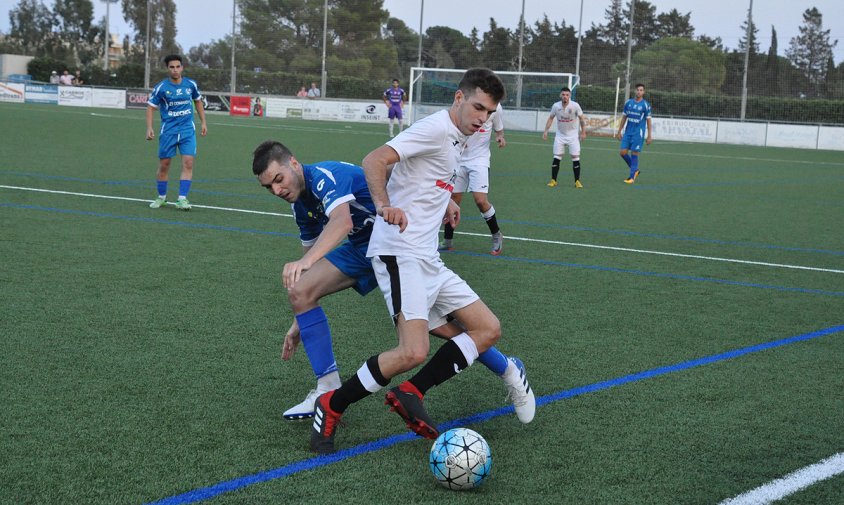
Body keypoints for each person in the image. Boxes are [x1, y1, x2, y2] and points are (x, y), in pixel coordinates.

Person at [310, 68, 534, 454]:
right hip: (399, 253)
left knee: (487, 329)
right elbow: (375, 158)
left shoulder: (462, 137)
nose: (483, 118)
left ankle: (412, 392)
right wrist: (384, 205)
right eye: (478, 107)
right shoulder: (435, 128)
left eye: (490, 112)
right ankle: (331, 404)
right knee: (412, 351)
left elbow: (415, 168)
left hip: (426, 257)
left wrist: (443, 199)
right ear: (459, 99)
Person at [251, 141, 534, 425]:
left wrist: (440, 197)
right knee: (300, 289)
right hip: (363, 251)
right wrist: (300, 317)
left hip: (398, 245)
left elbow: (343, 221)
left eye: (279, 179)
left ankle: (509, 369)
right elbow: (309, 268)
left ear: (294, 164)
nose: (277, 190)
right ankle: (327, 388)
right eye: (269, 187)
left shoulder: (325, 178)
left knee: (448, 330)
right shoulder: (300, 205)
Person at [440, 102, 505, 255]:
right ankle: (447, 241)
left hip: (480, 160)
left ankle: (496, 235)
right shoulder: (465, 101)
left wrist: (500, 137)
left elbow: (499, 129)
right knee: (453, 199)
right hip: (459, 158)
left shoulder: (497, 107)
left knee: (481, 201)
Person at [145, 54, 207, 211]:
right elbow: (151, 107)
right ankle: (161, 197)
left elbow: (198, 101)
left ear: (182, 67)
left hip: (187, 130)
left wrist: (203, 122)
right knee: (164, 165)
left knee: (188, 162)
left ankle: (182, 199)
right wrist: (149, 127)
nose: (175, 70)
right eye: (172, 67)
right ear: (167, 69)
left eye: (178, 66)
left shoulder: (190, 85)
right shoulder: (161, 87)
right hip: (169, 131)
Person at [543, 87, 587, 188]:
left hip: (573, 136)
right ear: (560, 95)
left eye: (567, 95)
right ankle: (553, 180)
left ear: (570, 96)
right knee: (557, 157)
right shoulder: (556, 106)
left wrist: (583, 132)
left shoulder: (575, 106)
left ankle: (577, 181)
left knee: (575, 158)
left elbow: (581, 118)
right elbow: (550, 118)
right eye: (563, 95)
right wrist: (546, 131)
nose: (565, 97)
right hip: (560, 135)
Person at [614, 83, 653, 184]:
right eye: (638, 90)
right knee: (622, 152)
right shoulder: (628, 103)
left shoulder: (645, 105)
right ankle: (635, 170)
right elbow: (624, 117)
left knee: (634, 153)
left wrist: (649, 135)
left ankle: (631, 177)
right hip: (628, 132)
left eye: (641, 90)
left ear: (643, 92)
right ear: (635, 91)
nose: (639, 92)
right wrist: (619, 131)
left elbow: (648, 121)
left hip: (638, 133)